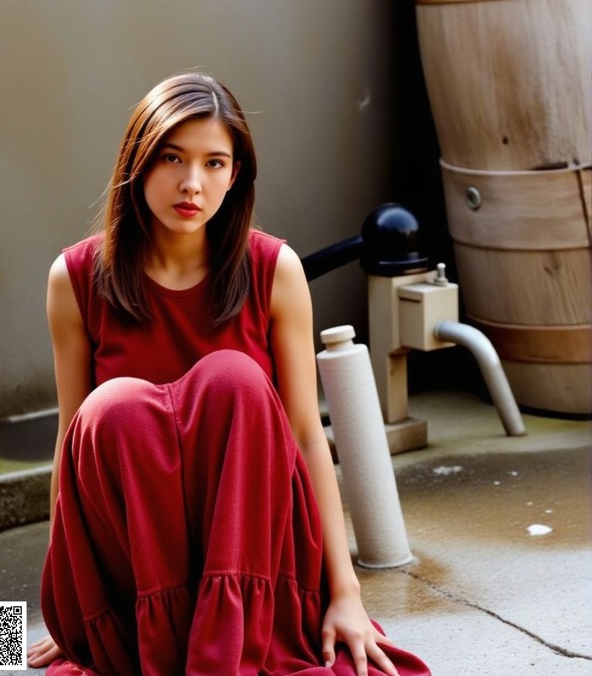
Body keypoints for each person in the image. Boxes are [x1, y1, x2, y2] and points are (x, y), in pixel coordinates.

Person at [28, 72, 430, 676]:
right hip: (135, 570)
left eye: (215, 163)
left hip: (256, 559)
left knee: (233, 381)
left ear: (235, 174)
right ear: (137, 161)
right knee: (113, 408)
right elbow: (71, 441)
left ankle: (226, 635)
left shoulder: (275, 269)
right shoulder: (75, 277)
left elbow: (305, 435)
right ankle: (118, 628)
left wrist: (346, 593)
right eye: (171, 158)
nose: (193, 184)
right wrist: (72, 602)